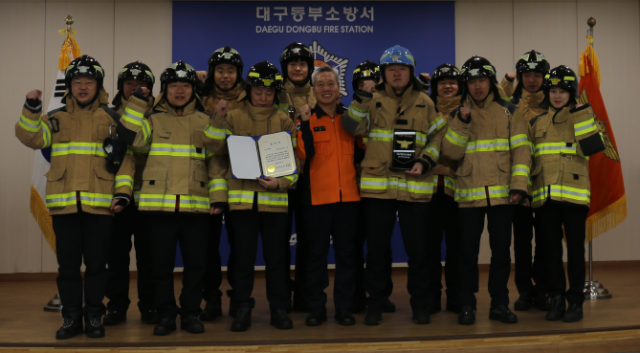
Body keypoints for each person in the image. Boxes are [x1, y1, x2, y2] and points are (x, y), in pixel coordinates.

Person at [15, 55, 135, 339]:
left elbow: (125, 161)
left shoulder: (113, 118)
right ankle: (70, 318)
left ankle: (94, 316)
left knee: (96, 266)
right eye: (77, 82)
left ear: (98, 85)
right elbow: (29, 138)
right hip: (64, 205)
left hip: (100, 206)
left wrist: (122, 193)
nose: (83, 87)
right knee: (67, 268)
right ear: (69, 86)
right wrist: (32, 108)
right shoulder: (54, 119)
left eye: (89, 81)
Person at [342, 45, 446, 326]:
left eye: (402, 68)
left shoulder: (426, 101)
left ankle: (420, 305)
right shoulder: (372, 100)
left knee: (419, 252)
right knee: (376, 251)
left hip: (415, 186)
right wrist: (362, 98)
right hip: (378, 189)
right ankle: (375, 303)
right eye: (391, 69)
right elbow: (352, 128)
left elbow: (439, 138)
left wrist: (425, 160)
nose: (396, 73)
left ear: (411, 72)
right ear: (383, 73)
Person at [116, 60, 213, 336]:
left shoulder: (205, 121)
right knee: (160, 268)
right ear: (165, 90)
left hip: (196, 208)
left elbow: (216, 160)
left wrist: (217, 199)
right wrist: (137, 103)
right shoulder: (151, 120)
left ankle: (191, 313)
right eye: (173, 86)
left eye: (185, 85)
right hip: (158, 209)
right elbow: (129, 139)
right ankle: (166, 315)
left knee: (196, 267)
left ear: (193, 90)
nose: (179, 91)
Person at [206, 61, 298, 332]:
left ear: (275, 94)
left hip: (275, 203)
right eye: (258, 91)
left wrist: (280, 182)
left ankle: (279, 309)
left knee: (277, 261)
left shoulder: (284, 121)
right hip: (242, 202)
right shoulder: (232, 116)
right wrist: (219, 117)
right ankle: (241, 308)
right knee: (243, 260)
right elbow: (214, 148)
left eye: (269, 93)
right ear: (249, 90)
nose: (263, 97)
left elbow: (295, 166)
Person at [442, 56, 531, 325]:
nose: (477, 86)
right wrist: (461, 123)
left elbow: (522, 151)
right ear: (465, 85)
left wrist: (519, 186)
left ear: (490, 82)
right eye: (471, 81)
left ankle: (499, 305)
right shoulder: (457, 113)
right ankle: (467, 305)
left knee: (501, 253)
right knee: (466, 254)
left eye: (481, 80)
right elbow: (450, 154)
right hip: (469, 195)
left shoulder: (509, 111)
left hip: (503, 194)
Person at [528, 65, 605, 322]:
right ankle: (557, 299)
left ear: (572, 93)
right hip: (545, 197)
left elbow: (594, 147)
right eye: (553, 91)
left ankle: (575, 302)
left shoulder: (583, 116)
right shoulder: (537, 122)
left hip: (574, 197)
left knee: (574, 252)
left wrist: (581, 114)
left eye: (563, 91)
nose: (557, 96)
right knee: (549, 252)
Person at [296, 66, 360, 326]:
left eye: (331, 84)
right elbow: (303, 153)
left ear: (339, 89)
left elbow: (364, 148)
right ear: (313, 91)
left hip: (349, 200)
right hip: (317, 200)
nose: (326, 88)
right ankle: (316, 309)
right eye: (320, 85)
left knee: (347, 257)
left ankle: (344, 308)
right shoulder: (307, 120)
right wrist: (304, 123)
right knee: (316, 258)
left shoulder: (350, 118)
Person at [104, 61, 158, 326]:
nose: (135, 89)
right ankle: (116, 307)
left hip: (150, 199)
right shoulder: (109, 115)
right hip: (117, 199)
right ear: (120, 87)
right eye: (129, 85)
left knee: (149, 259)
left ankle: (149, 307)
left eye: (141, 86)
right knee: (115, 259)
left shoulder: (159, 116)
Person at [199, 46, 246, 321]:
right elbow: (167, 103)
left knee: (241, 247)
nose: (226, 76)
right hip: (207, 183)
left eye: (231, 70)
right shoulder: (199, 96)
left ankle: (239, 299)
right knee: (208, 247)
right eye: (220, 70)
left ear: (238, 73)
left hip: (242, 181)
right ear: (212, 72)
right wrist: (195, 83)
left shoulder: (250, 97)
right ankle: (212, 299)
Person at [349, 60, 396, 315]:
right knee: (354, 245)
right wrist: (365, 97)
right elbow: (351, 129)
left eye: (373, 83)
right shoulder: (353, 110)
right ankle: (356, 296)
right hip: (354, 188)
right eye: (362, 84)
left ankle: (381, 295)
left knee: (380, 246)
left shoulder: (389, 109)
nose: (368, 87)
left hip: (380, 188)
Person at [508, 50, 552, 311]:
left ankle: (543, 288)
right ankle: (525, 291)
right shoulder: (509, 104)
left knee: (547, 240)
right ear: (520, 76)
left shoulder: (559, 102)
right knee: (522, 242)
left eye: (537, 75)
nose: (532, 80)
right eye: (527, 74)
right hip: (519, 183)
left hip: (548, 181)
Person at [279, 42, 316, 312]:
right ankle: (280, 297)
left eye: (303, 64)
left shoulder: (323, 94)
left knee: (309, 240)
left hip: (312, 179)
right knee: (278, 242)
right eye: (293, 64)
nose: (298, 68)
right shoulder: (273, 93)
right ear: (285, 69)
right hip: (280, 179)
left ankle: (304, 296)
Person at [425, 63, 462, 314]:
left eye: (452, 82)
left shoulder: (468, 111)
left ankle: (457, 298)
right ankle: (431, 299)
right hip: (427, 190)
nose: (447, 86)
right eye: (442, 82)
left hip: (459, 191)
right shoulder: (425, 110)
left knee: (458, 250)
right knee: (428, 249)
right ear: (434, 87)